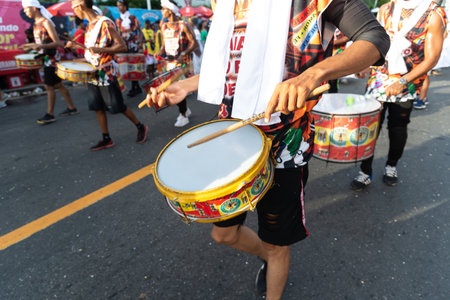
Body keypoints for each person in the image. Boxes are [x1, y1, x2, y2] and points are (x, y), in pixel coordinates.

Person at [145, 0, 389, 299]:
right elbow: (240, 68)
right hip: (232, 137)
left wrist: (313, 74)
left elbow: (374, 39)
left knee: (277, 244)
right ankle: (270, 256)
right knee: (223, 234)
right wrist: (187, 86)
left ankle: (274, 259)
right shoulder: (228, 4)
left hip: (286, 143)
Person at [351, 0, 446, 190]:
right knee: (369, 127)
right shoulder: (387, 8)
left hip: (407, 82)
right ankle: (365, 170)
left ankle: (391, 166)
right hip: (378, 80)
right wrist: (364, 65)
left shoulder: (434, 14)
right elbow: (375, 43)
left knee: (397, 128)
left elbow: (432, 58)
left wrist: (402, 82)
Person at [67, 0, 148, 151]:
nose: (74, 11)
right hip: (93, 72)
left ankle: (141, 126)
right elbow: (91, 49)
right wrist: (75, 45)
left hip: (106, 72)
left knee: (119, 106)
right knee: (98, 107)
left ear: (80, 6)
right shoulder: (89, 26)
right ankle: (106, 138)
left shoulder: (104, 23)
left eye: (73, 7)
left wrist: (100, 50)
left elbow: (121, 45)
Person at [21, 0, 79, 124]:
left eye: (27, 9)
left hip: (52, 59)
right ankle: (71, 108)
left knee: (49, 86)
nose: (25, 12)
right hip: (46, 57)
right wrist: (31, 46)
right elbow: (42, 43)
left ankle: (50, 114)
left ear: (35, 8)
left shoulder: (45, 22)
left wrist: (39, 46)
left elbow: (58, 43)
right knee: (58, 84)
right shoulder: (36, 24)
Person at [155, 0, 198, 127]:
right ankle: (185, 110)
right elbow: (165, 44)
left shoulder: (183, 25)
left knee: (178, 88)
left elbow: (194, 43)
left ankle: (183, 115)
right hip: (169, 63)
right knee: (173, 88)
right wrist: (160, 51)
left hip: (182, 64)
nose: (161, 11)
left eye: (163, 8)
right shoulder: (163, 26)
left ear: (170, 10)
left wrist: (183, 54)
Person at [116, 0, 143, 97]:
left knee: (133, 67)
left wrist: (140, 42)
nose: (119, 7)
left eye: (120, 5)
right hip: (124, 47)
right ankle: (136, 87)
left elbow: (140, 31)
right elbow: (118, 34)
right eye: (118, 6)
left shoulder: (133, 18)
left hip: (133, 46)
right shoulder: (118, 20)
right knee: (127, 67)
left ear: (125, 6)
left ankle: (134, 88)